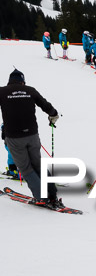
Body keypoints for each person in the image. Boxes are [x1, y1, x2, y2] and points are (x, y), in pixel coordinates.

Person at [0, 69, 61, 206]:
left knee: (26, 168)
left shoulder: (2, 92)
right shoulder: (30, 90)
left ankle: (41, 197)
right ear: (23, 81)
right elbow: (46, 105)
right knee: (39, 165)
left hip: (14, 138)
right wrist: (53, 114)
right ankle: (52, 194)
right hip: (32, 135)